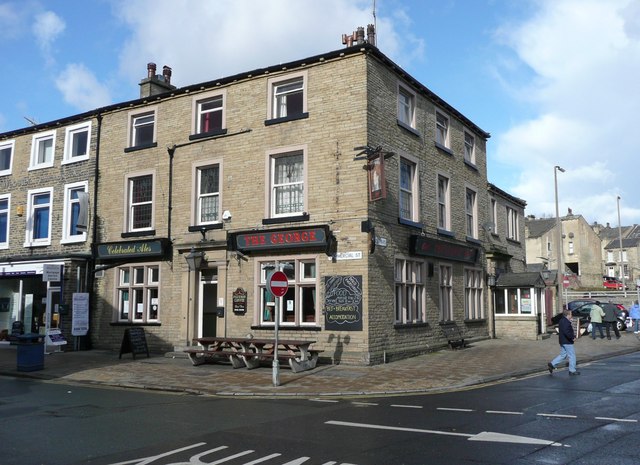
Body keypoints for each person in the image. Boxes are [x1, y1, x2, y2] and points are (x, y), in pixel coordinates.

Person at [548, 308, 580, 376]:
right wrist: (572, 338)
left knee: (563, 355)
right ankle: (572, 370)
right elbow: (567, 332)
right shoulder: (566, 322)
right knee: (572, 356)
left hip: (562, 341)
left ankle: (552, 364)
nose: (572, 315)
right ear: (568, 315)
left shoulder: (562, 320)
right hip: (567, 341)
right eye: (571, 314)